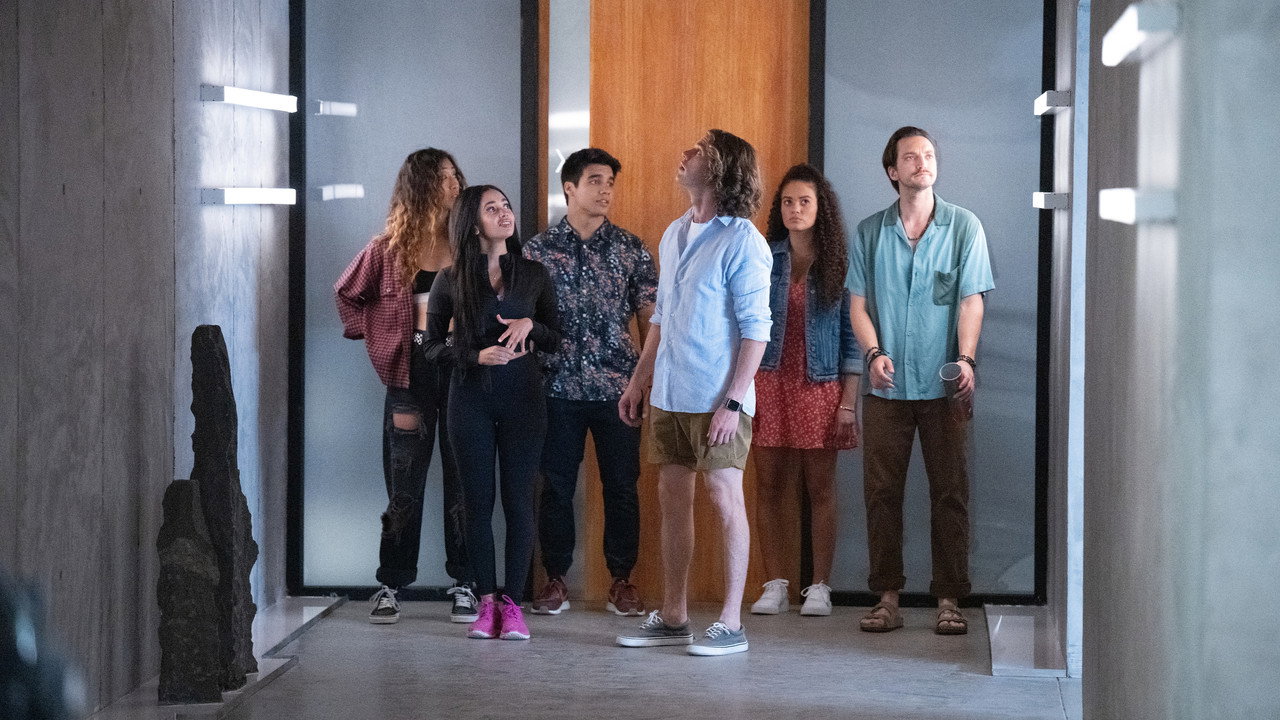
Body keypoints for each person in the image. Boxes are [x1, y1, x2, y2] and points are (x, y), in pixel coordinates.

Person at [615, 130, 771, 657]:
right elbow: (661, 316)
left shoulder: (743, 240)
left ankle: (731, 623)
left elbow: (757, 330)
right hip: (670, 392)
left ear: (721, 168)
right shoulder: (675, 232)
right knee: (672, 500)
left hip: (718, 397)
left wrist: (733, 401)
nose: (683, 155)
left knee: (725, 497)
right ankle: (674, 615)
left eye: (698, 151)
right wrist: (639, 380)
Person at [848, 126, 994, 635]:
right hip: (886, 387)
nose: (922, 162)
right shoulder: (870, 232)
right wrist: (873, 353)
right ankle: (887, 598)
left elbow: (971, 299)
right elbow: (858, 305)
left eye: (928, 154)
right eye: (910, 157)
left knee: (950, 492)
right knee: (881, 493)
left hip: (944, 384)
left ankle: (949, 599)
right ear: (893, 170)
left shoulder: (963, 226)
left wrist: (966, 360)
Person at [334, 148, 477, 625]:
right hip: (409, 375)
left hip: (461, 371)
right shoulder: (388, 249)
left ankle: (465, 582)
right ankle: (391, 584)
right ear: (422, 186)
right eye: (445, 177)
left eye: (456, 176)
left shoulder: (470, 244)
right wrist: (380, 339)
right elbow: (347, 294)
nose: (455, 184)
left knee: (464, 481)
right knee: (404, 482)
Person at [422, 185, 562, 641]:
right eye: (492, 208)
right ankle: (486, 603)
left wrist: (531, 325)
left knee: (519, 503)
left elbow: (557, 337)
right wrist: (473, 356)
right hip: (469, 402)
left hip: (525, 401)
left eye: (506, 206)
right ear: (472, 222)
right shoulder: (450, 279)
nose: (505, 213)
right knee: (476, 504)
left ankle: (513, 605)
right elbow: (430, 346)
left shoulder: (534, 274)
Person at [524, 148, 657, 617]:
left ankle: (622, 579)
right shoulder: (537, 252)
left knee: (622, 485)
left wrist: (645, 381)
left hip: (618, 389)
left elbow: (651, 319)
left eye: (610, 183)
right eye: (596, 181)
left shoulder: (630, 248)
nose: (606, 191)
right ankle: (555, 578)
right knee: (555, 486)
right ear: (570, 188)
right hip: (555, 387)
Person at [748, 164, 862, 618]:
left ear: (821, 208)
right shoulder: (764, 257)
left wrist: (848, 403)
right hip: (767, 381)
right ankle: (775, 583)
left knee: (821, 488)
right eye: (788, 202)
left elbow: (853, 341)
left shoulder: (839, 264)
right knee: (768, 486)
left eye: (804, 201)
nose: (795, 209)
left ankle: (819, 586)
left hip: (820, 387)